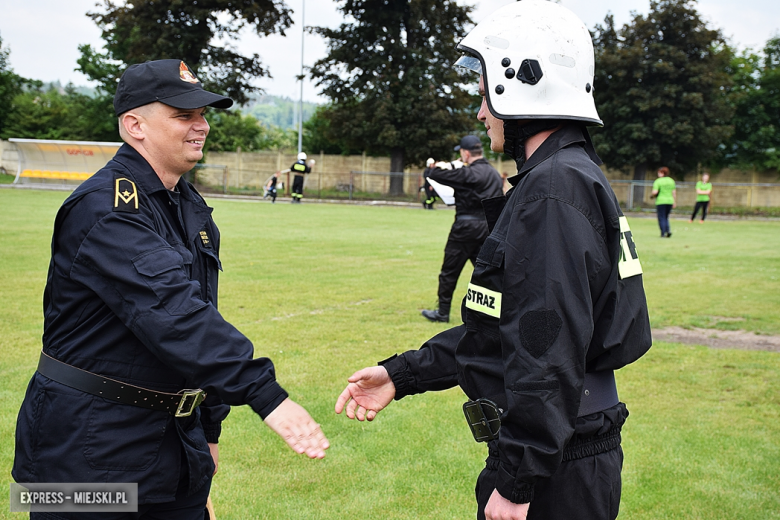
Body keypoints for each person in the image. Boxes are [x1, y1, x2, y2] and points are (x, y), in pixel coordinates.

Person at [335, 2, 651, 520]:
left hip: (557, 468)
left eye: (485, 98)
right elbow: (501, 329)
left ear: (521, 88)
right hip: (569, 450)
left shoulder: (553, 188)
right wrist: (402, 374)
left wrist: (518, 480)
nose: (481, 114)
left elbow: (545, 345)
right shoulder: (568, 175)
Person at [12, 59, 329, 519]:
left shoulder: (188, 206)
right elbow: (174, 313)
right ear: (134, 125)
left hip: (170, 448)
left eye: (202, 114)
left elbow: (204, 315)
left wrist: (209, 435)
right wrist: (266, 395)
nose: (201, 125)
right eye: (183, 115)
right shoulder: (106, 209)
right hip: (81, 455)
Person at [421, 135, 504, 323]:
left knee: (450, 270)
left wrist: (445, 165)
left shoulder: (468, 174)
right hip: (487, 228)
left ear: (465, 153)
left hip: (465, 227)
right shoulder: (493, 173)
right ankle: (500, 312)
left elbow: (431, 174)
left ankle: (442, 312)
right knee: (488, 272)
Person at [651, 166, 676, 237]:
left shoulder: (658, 181)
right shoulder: (671, 180)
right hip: (670, 201)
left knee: (661, 217)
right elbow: (674, 192)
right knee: (666, 217)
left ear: (662, 173)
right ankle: (668, 230)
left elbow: (655, 192)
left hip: (661, 201)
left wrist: (652, 195)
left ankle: (663, 232)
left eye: (659, 172)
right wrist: (674, 202)